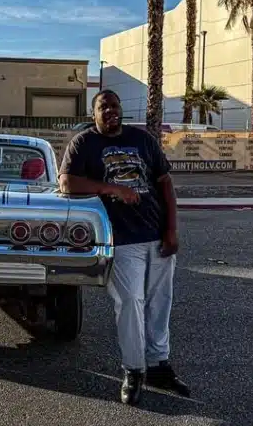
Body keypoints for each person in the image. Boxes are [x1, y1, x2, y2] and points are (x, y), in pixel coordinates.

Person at [58, 89, 190, 405]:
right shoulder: (84, 143)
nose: (111, 111)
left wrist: (171, 229)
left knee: (160, 303)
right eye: (103, 107)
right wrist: (110, 188)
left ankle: (159, 365)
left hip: (156, 234)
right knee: (130, 302)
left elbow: (165, 184)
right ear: (94, 114)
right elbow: (66, 183)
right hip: (121, 238)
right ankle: (133, 370)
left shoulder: (142, 139)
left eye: (115, 106)